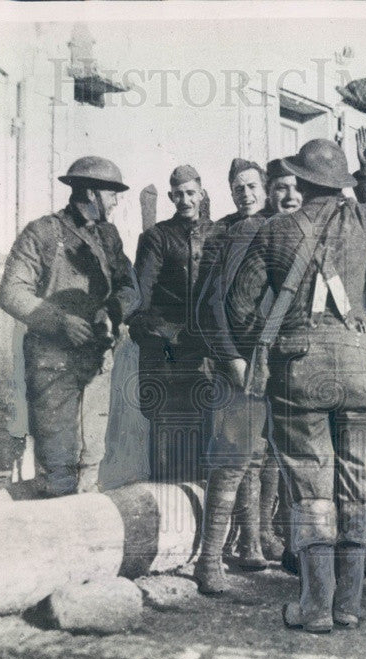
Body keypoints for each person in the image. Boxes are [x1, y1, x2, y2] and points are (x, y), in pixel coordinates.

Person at [228, 78, 366, 633]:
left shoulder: (271, 232)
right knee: (359, 482)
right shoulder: (363, 220)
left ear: (299, 180)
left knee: (311, 485)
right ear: (338, 184)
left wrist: (275, 336)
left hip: (299, 370)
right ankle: (351, 605)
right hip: (361, 368)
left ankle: (314, 607)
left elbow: (239, 309)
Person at [0, 157, 137, 497]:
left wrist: (111, 312)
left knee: (92, 460)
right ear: (90, 192)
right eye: (112, 193)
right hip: (54, 366)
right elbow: (11, 292)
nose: (117, 201)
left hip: (96, 365)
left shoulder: (108, 236)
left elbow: (130, 287)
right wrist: (60, 322)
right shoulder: (42, 232)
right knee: (58, 466)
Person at [191, 158, 278, 593]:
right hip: (237, 361)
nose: (245, 193)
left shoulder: (280, 227)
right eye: (237, 187)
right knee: (231, 458)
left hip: (274, 359)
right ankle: (209, 561)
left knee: (264, 454)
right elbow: (208, 303)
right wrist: (229, 357)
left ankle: (255, 539)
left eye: (251, 186)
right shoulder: (224, 234)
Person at [129, 165, 216, 483]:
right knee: (167, 436)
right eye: (178, 194)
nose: (184, 200)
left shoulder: (219, 235)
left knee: (208, 434)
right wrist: (167, 336)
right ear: (170, 197)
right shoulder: (157, 237)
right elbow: (140, 299)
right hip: (167, 355)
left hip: (208, 355)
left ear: (201, 194)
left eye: (190, 193)